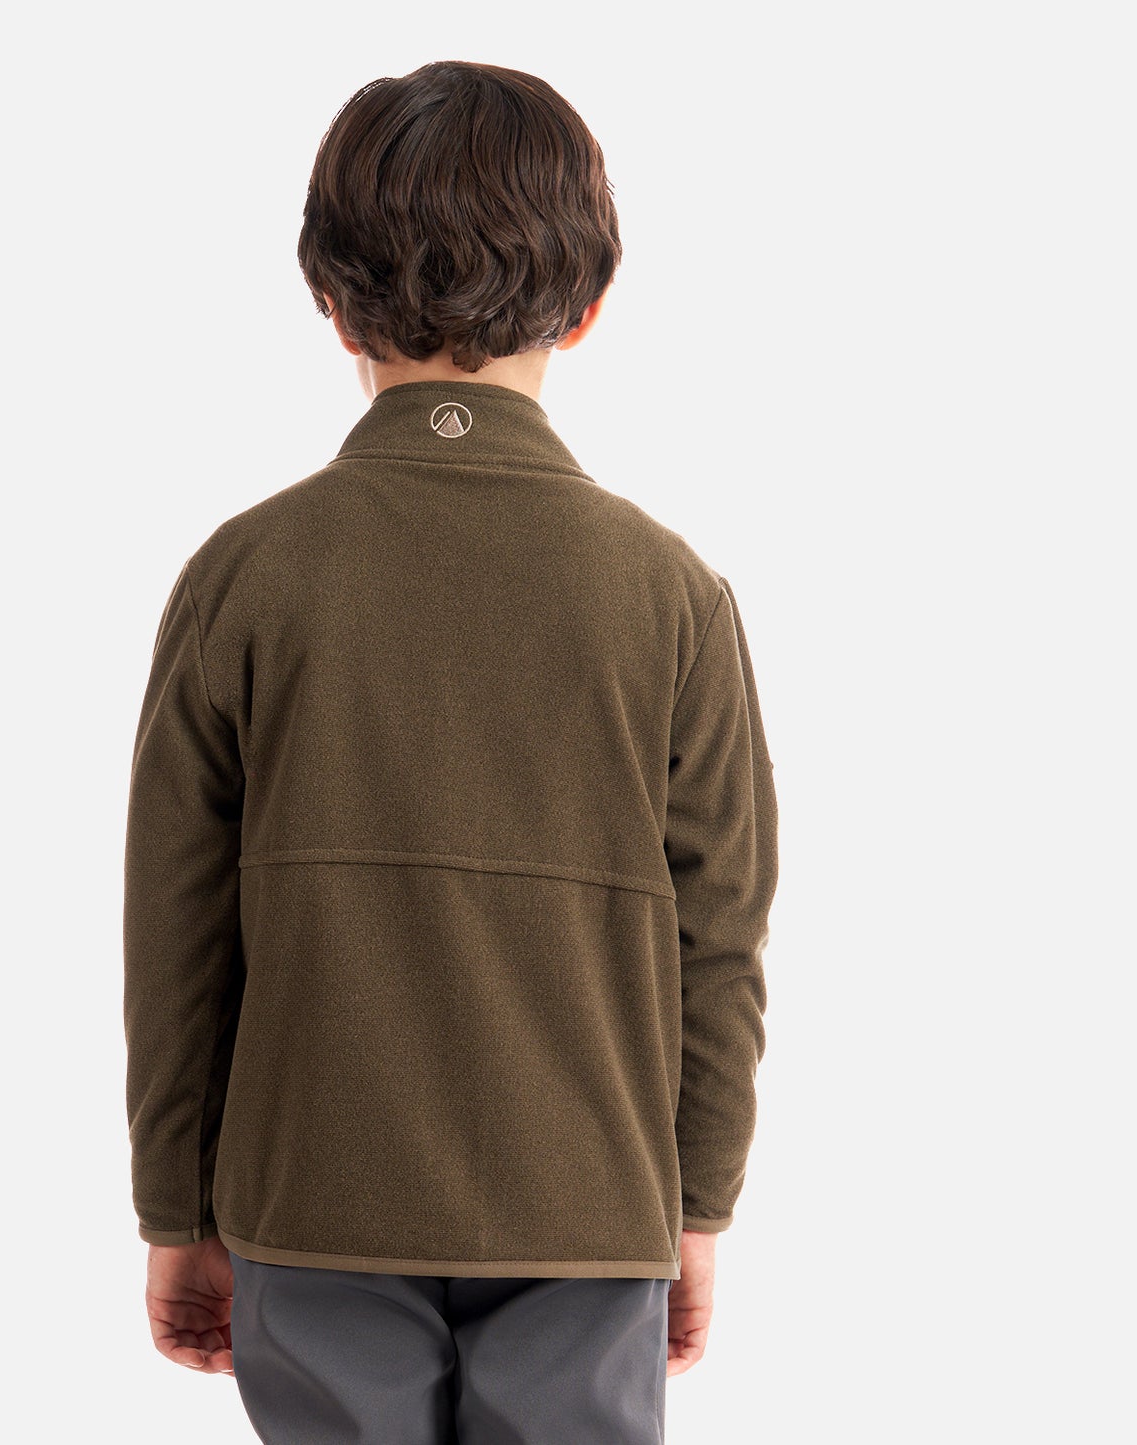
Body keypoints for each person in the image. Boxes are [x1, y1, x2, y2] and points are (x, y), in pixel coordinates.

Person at [123, 59, 779, 1443]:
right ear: (590, 304)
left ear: (327, 297)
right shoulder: (672, 594)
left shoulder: (245, 575)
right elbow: (718, 937)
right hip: (589, 1208)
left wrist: (176, 1209)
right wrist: (696, 1206)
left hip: (309, 1196)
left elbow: (176, 928)